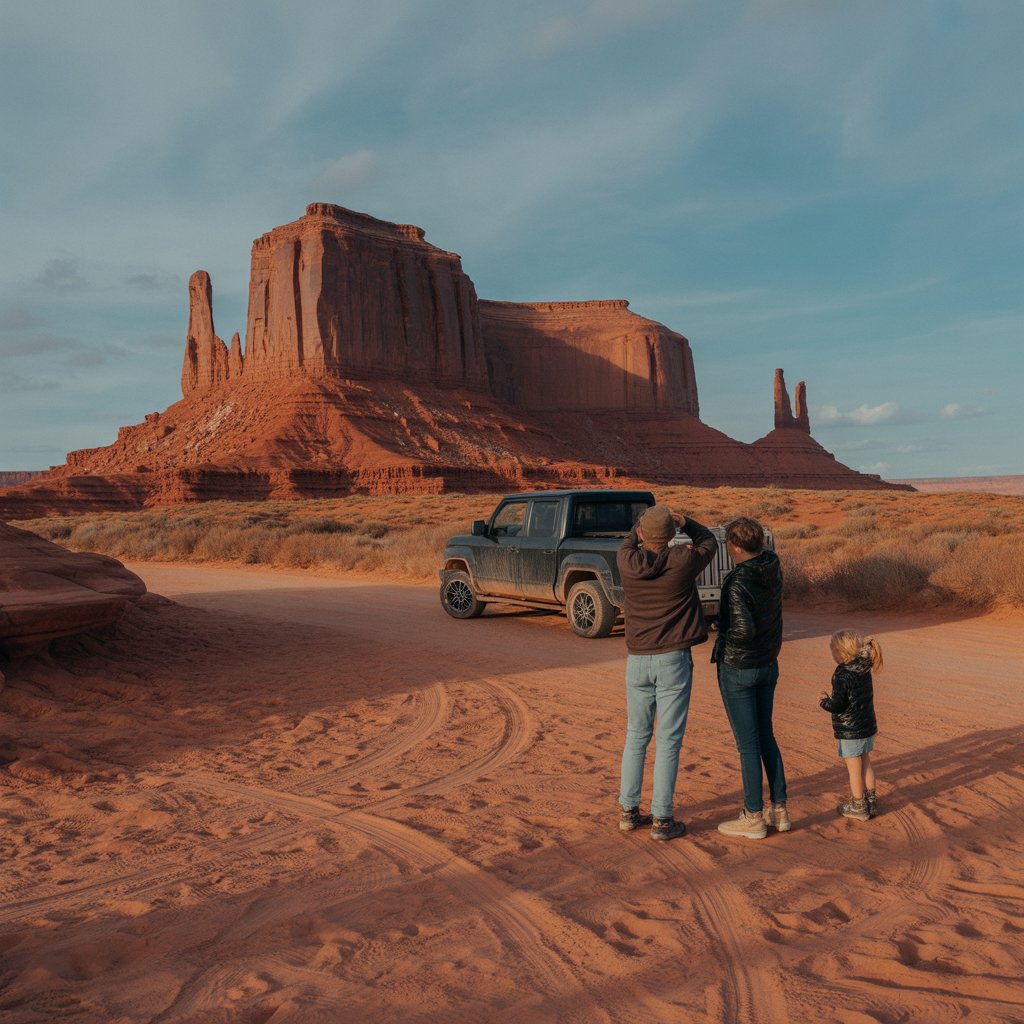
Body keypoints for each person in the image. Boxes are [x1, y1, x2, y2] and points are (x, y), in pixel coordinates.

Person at [616, 505, 717, 841]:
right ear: (673, 536)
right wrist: (684, 520)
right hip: (673, 658)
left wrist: (644, 525)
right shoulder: (682, 562)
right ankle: (662, 819)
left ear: (642, 534)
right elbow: (708, 541)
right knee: (668, 741)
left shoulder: (627, 562)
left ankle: (629, 812)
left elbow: (630, 541)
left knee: (636, 736)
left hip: (638, 660)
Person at [712, 517, 788, 841]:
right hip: (768, 664)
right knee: (766, 735)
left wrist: (722, 632)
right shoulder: (772, 568)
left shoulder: (737, 580)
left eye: (728, 543)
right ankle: (780, 809)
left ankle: (753, 815)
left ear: (737, 546)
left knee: (748, 745)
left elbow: (743, 630)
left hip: (739, 668)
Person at [819, 629, 882, 821]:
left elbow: (838, 705)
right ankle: (871, 802)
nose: (832, 655)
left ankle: (858, 805)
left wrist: (824, 701)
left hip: (850, 729)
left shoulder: (842, 674)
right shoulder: (864, 667)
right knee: (866, 763)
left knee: (854, 768)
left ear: (843, 653)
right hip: (866, 725)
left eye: (833, 651)